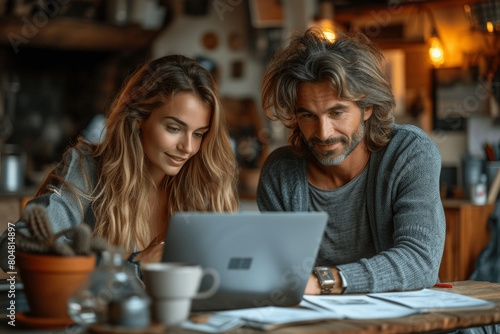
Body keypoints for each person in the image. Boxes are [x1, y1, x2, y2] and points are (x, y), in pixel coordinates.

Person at [0, 55, 239, 275]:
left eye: (198, 134)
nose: (187, 147)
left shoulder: (202, 182)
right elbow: (8, 252)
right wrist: (132, 262)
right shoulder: (88, 169)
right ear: (138, 119)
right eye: (174, 128)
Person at [257, 28, 446, 295]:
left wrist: (323, 282)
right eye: (308, 116)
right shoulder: (281, 173)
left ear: (367, 107)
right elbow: (281, 272)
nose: (323, 133)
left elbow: (419, 261)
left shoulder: (409, 152)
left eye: (337, 112)